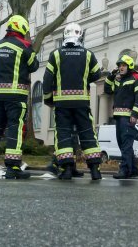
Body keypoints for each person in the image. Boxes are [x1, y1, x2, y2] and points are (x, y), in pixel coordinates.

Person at [0, 14, 39, 180]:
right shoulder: (24, 46)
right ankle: (12, 167)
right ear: (22, 28)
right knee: (15, 129)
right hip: (15, 96)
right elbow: (34, 65)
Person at [42, 22, 103, 180]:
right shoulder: (88, 54)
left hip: (62, 103)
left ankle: (67, 168)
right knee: (87, 133)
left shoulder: (55, 54)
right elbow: (97, 74)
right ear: (80, 35)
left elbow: (47, 79)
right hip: (81, 102)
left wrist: (49, 99)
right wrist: (84, 78)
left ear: (64, 36)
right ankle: (95, 170)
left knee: (63, 134)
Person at [104, 54, 138, 179]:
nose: (121, 68)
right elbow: (107, 90)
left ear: (129, 66)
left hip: (127, 117)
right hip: (118, 117)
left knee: (126, 144)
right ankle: (133, 169)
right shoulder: (118, 80)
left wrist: (135, 114)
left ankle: (125, 170)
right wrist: (111, 75)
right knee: (123, 144)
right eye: (119, 66)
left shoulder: (136, 78)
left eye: (123, 65)